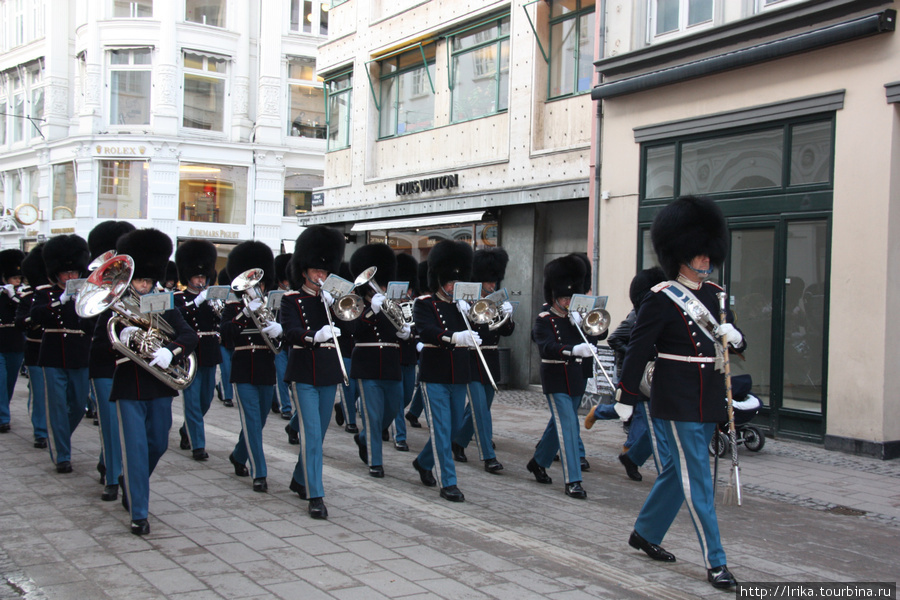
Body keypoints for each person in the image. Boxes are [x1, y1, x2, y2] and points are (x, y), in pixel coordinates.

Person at [615, 195, 746, 590]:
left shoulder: (715, 295)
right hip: (674, 397)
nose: (705, 261)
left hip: (707, 395)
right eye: (698, 254)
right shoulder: (661, 298)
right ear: (680, 253)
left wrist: (735, 338)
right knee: (698, 481)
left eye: (709, 254)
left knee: (678, 472)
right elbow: (637, 350)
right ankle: (716, 561)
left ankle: (645, 532)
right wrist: (624, 397)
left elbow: (734, 345)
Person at [100, 228, 198, 535]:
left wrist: (170, 351)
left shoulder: (164, 303)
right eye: (139, 280)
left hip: (159, 385)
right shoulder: (113, 304)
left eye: (147, 281)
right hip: (129, 384)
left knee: (157, 441)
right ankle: (139, 513)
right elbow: (96, 347)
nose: (144, 286)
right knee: (136, 448)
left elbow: (189, 336)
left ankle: (132, 481)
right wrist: (123, 336)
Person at [526, 254, 604, 499]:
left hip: (577, 376)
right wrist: (572, 350)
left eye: (571, 297)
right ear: (554, 296)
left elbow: (600, 334)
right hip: (556, 376)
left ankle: (538, 462)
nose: (568, 301)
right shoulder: (544, 320)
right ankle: (573, 480)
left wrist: (586, 326)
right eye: (563, 297)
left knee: (557, 424)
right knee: (569, 425)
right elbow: (546, 346)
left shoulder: (577, 319)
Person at [281, 225, 346, 519]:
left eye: (325, 271)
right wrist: (313, 336)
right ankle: (316, 494)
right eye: (316, 271)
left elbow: (353, 330)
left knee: (317, 436)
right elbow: (290, 331)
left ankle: (299, 477)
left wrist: (338, 307)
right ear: (304, 271)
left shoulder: (333, 300)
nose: (321, 276)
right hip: (304, 371)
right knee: (310, 432)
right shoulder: (291, 300)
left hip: (329, 371)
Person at [584, 266, 666, 482]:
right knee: (639, 415)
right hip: (633, 373)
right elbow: (614, 339)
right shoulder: (635, 317)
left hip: (650, 375)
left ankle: (600, 412)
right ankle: (630, 453)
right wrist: (637, 353)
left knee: (642, 416)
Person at [411, 239, 475, 503]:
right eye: (448, 281)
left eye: (455, 282)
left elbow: (483, 331)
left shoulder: (463, 306)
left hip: (458, 373)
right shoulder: (425, 303)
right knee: (440, 428)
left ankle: (423, 462)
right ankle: (448, 481)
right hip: (435, 372)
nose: (451, 287)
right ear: (438, 279)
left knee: (453, 428)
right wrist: (453, 338)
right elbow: (426, 329)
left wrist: (476, 319)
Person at [220, 241, 281, 493]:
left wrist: (281, 329)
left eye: (261, 284)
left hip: (266, 367)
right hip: (244, 366)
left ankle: (238, 454)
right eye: (252, 284)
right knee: (252, 421)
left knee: (261, 419)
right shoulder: (232, 308)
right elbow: (226, 336)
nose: (257, 289)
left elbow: (282, 338)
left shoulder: (273, 306)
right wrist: (244, 313)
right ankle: (260, 472)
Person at [31, 235, 92, 473]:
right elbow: (36, 317)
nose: (70, 278)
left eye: (74, 273)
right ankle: (62, 455)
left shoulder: (87, 292)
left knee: (78, 405)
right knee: (56, 405)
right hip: (54, 354)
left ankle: (60, 436)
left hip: (80, 353)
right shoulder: (45, 293)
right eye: (65, 273)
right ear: (56, 274)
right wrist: (60, 301)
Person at [348, 243, 410, 478]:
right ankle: (376, 462)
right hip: (367, 362)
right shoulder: (357, 303)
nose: (379, 288)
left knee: (393, 409)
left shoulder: (391, 303)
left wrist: (407, 333)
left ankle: (363, 438)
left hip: (391, 363)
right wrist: (372, 312)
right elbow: (353, 329)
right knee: (373, 416)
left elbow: (402, 328)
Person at [452, 247, 514, 473]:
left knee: (482, 406)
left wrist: (508, 315)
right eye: (489, 281)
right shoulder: (467, 301)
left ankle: (458, 441)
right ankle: (488, 456)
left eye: (495, 281)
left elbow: (506, 332)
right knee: (480, 408)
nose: (493, 285)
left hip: (491, 356)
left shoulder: (495, 300)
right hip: (471, 356)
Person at [86, 220, 136, 501]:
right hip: (105, 359)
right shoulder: (93, 284)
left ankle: (111, 462)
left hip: (131, 362)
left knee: (125, 425)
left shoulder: (139, 284)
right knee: (108, 421)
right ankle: (113, 476)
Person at [174, 239, 221, 460]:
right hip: (190, 353)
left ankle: (186, 429)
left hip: (210, 351)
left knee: (206, 399)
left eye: (203, 276)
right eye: (196, 276)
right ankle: (198, 445)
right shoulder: (179, 298)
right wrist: (197, 303)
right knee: (192, 401)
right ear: (188, 277)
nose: (200, 280)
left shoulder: (213, 298)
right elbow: (178, 318)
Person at [15, 245, 49, 448]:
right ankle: (41, 431)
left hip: (59, 350)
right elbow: (21, 322)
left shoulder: (62, 295)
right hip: (36, 349)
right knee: (39, 392)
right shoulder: (29, 296)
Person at [391, 252, 420, 452]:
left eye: (408, 289)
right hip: (393, 357)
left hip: (409, 358)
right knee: (399, 397)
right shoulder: (388, 305)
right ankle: (400, 435)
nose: (406, 293)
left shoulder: (416, 305)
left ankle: (387, 420)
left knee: (408, 396)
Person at [0, 249, 26, 434]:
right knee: (0, 381)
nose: (18, 282)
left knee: (9, 381)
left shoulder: (20, 295)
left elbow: (26, 312)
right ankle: (3, 418)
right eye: (14, 278)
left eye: (19, 278)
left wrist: (15, 297)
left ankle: (3, 408)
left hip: (15, 342)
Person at [271, 253, 293, 420]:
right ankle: (285, 406)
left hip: (290, 340)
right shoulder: (271, 296)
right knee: (281, 375)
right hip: (277, 342)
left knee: (291, 376)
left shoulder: (293, 295)